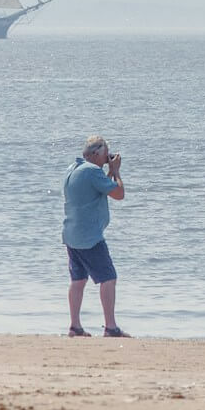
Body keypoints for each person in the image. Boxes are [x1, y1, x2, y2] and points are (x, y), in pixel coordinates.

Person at [63, 135, 128, 337]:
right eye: (106, 153)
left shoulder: (74, 169)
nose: (108, 157)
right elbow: (118, 194)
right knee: (108, 278)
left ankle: (75, 326)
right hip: (90, 237)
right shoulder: (92, 171)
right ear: (96, 154)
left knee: (78, 280)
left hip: (72, 234)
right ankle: (110, 327)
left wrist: (107, 171)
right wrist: (115, 171)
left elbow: (98, 190)